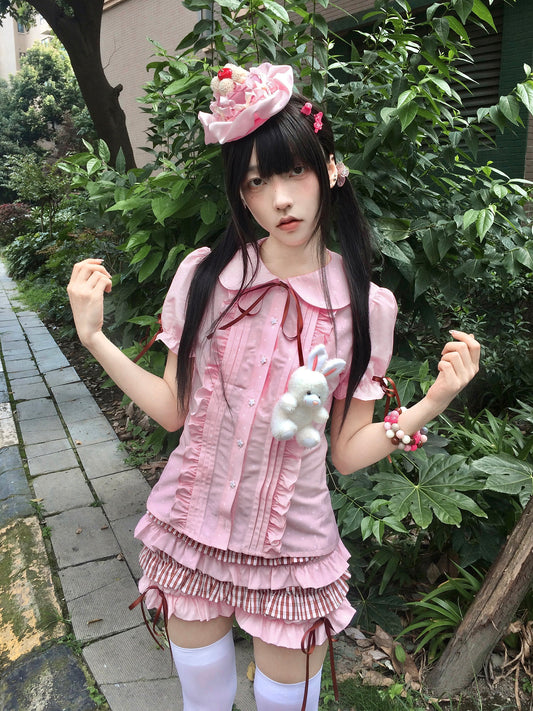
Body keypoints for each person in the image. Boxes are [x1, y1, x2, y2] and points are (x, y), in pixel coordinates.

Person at [67, 62, 480, 711]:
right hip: (192, 530)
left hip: (294, 548)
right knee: (203, 700)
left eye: (293, 172)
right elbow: (173, 411)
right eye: (257, 181)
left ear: (330, 170)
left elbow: (346, 452)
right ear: (242, 195)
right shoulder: (207, 276)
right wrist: (94, 337)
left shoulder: (364, 305)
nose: (280, 199)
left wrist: (432, 402)